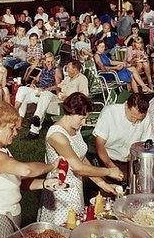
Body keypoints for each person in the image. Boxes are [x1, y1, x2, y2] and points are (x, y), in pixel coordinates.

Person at [0, 101, 64, 238]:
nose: (15, 133)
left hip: (9, 214)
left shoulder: (2, 150)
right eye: (12, 128)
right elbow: (26, 170)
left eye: (17, 129)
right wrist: (52, 166)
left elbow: (17, 180)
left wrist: (44, 183)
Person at [38, 93, 123, 224]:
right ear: (71, 112)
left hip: (75, 187)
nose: (84, 122)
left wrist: (102, 183)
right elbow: (78, 168)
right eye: (82, 118)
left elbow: (81, 158)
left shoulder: (75, 128)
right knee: (63, 231)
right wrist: (109, 171)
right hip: (60, 191)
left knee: (77, 228)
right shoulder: (57, 135)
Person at [25, 60, 89, 139]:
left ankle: (34, 131)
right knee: (46, 94)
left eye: (68, 68)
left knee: (43, 104)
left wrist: (68, 98)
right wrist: (56, 92)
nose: (66, 70)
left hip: (67, 105)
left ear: (75, 69)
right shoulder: (68, 78)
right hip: (59, 99)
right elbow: (58, 86)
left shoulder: (82, 79)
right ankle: (37, 118)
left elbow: (84, 97)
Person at [93, 93, 152, 179]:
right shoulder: (110, 112)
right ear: (127, 106)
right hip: (107, 160)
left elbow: (144, 144)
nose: (135, 121)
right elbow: (99, 144)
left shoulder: (147, 118)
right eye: (132, 117)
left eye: (139, 120)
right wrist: (111, 167)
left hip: (130, 162)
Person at [16, 52, 62, 120]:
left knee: (40, 95)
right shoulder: (43, 70)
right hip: (39, 92)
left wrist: (47, 89)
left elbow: (58, 86)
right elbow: (35, 80)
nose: (50, 63)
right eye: (48, 61)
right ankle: (17, 114)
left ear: (54, 61)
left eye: (52, 61)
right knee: (22, 89)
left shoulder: (56, 70)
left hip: (49, 94)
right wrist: (32, 84)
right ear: (45, 62)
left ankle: (34, 121)